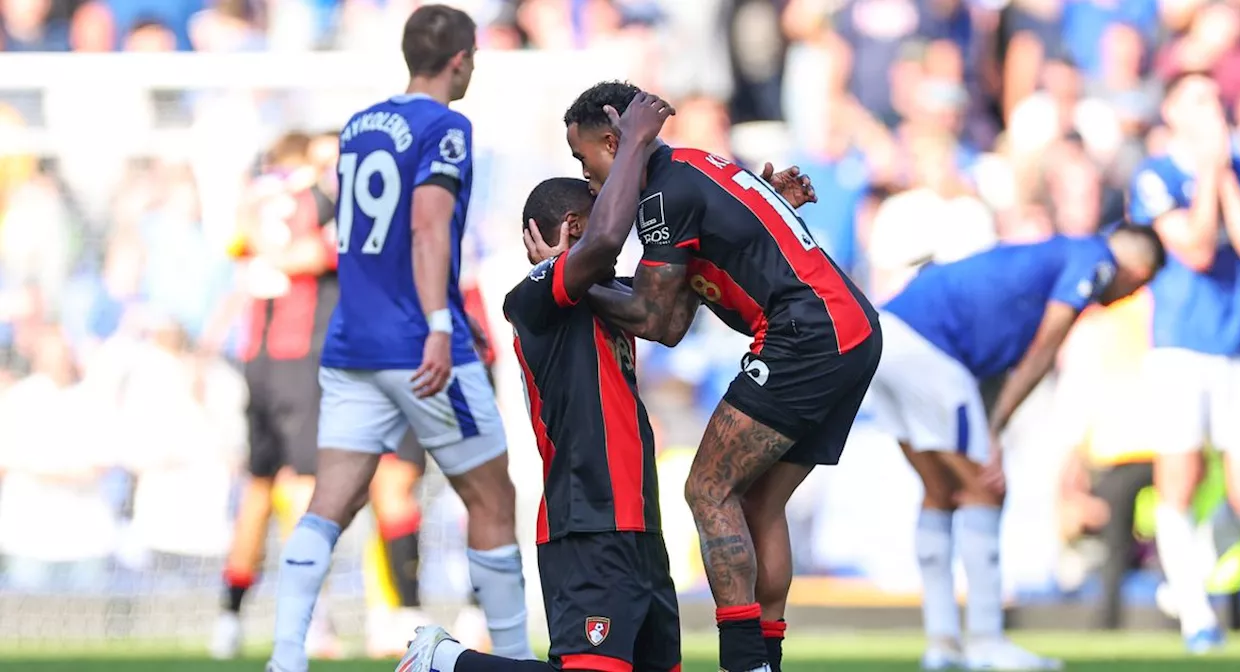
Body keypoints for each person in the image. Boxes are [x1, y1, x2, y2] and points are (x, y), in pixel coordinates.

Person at [554, 80, 881, 672]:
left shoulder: (661, 196)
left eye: (586, 160)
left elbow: (652, 314)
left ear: (613, 141)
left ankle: (743, 664)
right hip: (850, 329)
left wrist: (566, 282)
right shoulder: (697, 167)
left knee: (707, 489)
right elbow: (674, 323)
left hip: (807, 333)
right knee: (758, 502)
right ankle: (766, 661)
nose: (588, 180)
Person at [267, 6, 532, 671]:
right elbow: (427, 223)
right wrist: (441, 326)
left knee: (331, 501)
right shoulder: (446, 125)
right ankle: (515, 652)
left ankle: (285, 656)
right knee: (492, 496)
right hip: (420, 343)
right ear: (461, 60)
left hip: (352, 344)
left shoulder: (358, 126)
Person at [401, 93, 679, 672]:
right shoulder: (532, 294)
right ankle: (446, 661)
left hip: (640, 523)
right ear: (576, 225)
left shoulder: (608, 292)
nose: (619, 223)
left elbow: (668, 319)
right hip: (585, 520)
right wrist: (632, 142)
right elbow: (600, 246)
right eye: (608, 207)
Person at [867, 224, 1165, 670]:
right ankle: (986, 642)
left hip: (882, 333)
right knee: (986, 488)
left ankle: (942, 645)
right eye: (1136, 288)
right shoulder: (1094, 259)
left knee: (940, 492)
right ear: (1138, 271)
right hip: (929, 344)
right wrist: (995, 426)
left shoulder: (1057, 253)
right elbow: (1047, 344)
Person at [1128, 70, 1240, 653]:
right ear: (1171, 112)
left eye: (1215, 97)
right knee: (1180, 480)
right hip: (1180, 348)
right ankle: (1196, 614)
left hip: (1237, 345)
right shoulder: (1155, 176)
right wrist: (1210, 173)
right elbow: (1192, 245)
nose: (1212, 107)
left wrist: (1223, 172)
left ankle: (1187, 577)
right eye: (1197, 98)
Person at [213, 131, 342, 660]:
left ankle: (229, 616)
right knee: (303, 486)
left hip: (256, 358)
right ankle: (309, 618)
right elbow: (313, 255)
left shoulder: (255, 198)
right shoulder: (320, 199)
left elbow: (238, 248)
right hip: (298, 356)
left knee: (258, 488)